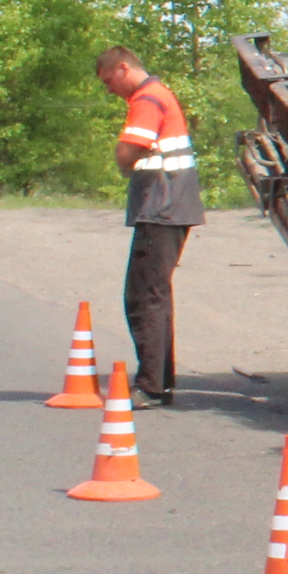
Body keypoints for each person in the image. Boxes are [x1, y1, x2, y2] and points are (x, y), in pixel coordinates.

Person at [96, 47, 205, 405]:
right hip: (169, 206)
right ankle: (161, 382)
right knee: (154, 295)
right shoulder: (158, 95)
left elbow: (128, 151)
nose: (109, 90)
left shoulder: (147, 99)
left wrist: (122, 160)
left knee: (144, 298)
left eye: (109, 81)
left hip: (162, 207)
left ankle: (151, 386)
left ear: (123, 68)